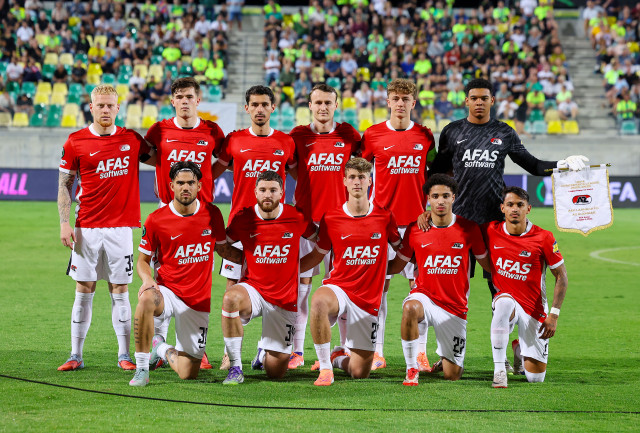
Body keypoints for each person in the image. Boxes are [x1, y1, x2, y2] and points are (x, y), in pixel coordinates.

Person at [424, 77, 585, 368]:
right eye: (474, 98)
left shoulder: (504, 132)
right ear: (466, 101)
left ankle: (512, 353)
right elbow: (436, 173)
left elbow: (532, 165)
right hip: (458, 225)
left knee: (502, 292)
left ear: (492, 101)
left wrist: (560, 165)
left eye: (484, 98)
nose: (479, 102)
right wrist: (429, 208)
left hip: (493, 227)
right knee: (450, 292)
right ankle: (447, 355)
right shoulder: (452, 131)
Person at [57, 85, 152, 371]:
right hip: (86, 227)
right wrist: (64, 222)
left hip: (121, 228)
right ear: (91, 107)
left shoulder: (131, 139)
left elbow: (160, 160)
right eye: (100, 105)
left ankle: (124, 355)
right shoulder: (76, 141)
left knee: (119, 290)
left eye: (111, 105)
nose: (106, 110)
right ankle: (75, 355)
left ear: (118, 108)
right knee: (83, 289)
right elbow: (65, 184)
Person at [129, 162, 236, 386]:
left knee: (188, 373)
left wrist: (254, 259)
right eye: (180, 183)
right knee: (146, 299)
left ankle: (161, 348)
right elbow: (142, 261)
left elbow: (224, 250)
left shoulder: (212, 214)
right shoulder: (156, 219)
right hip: (167, 292)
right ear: (171, 186)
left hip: (197, 301)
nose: (185, 187)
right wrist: (148, 280)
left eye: (190, 183)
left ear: (199, 186)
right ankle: (141, 370)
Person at [144, 77, 226, 369]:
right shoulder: (159, 130)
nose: (185, 101)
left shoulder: (212, 131)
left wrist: (206, 178)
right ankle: (159, 343)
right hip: (168, 213)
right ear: (172, 101)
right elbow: (148, 156)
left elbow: (223, 161)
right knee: (163, 277)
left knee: (198, 278)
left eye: (189, 96)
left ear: (198, 100)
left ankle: (194, 347)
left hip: (201, 214)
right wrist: (164, 170)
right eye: (179, 97)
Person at [212, 85, 296, 368]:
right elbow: (211, 175)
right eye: (254, 104)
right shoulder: (234, 140)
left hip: (275, 231)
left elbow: (300, 176)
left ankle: (266, 346)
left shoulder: (285, 142)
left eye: (264, 104)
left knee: (275, 288)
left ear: (273, 108)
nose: (260, 109)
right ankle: (230, 353)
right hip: (239, 227)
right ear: (246, 108)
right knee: (232, 290)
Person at [300, 157, 401, 386]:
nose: (357, 182)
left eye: (362, 177)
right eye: (352, 177)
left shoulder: (385, 217)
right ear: (344, 181)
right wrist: (288, 270)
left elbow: (403, 250)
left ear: (370, 181)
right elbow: (317, 255)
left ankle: (337, 359)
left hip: (367, 300)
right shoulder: (331, 217)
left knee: (359, 372)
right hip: (340, 289)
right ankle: (325, 368)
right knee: (319, 302)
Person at [360, 78, 436, 371]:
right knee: (379, 290)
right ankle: (377, 351)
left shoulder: (426, 136)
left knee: (421, 291)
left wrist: (430, 208)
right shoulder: (372, 135)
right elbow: (358, 173)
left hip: (419, 226)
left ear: (413, 102)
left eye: (406, 98)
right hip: (383, 225)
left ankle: (421, 352)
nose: (401, 103)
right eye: (396, 98)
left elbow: (435, 175)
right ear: (388, 101)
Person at [388, 174, 490, 385]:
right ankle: (411, 368)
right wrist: (366, 265)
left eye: (445, 196)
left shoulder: (469, 229)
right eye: (435, 196)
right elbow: (396, 265)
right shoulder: (415, 229)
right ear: (428, 199)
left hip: (454, 307)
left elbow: (488, 265)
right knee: (410, 308)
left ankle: (446, 360)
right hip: (425, 297)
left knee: (452, 375)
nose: (440, 201)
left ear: (453, 197)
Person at [287, 83, 361, 369]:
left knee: (341, 286)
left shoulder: (349, 135)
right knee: (302, 286)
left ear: (336, 105)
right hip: (306, 223)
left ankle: (342, 348)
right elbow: (291, 168)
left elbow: (362, 172)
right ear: (309, 105)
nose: (323, 107)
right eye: (317, 102)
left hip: (341, 225)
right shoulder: (297, 136)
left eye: (328, 103)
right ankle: (297, 351)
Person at [220, 171, 317, 384]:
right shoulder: (244, 218)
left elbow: (321, 242)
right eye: (263, 190)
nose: (267, 195)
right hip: (253, 289)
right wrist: (243, 258)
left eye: (273, 190)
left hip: (284, 299)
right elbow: (221, 244)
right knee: (230, 299)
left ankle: (262, 352)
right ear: (255, 192)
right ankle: (235, 367)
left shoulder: (296, 217)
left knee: (275, 373)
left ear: (281, 193)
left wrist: (299, 268)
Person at [483, 186, 568, 388]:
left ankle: (519, 349)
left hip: (533, 308)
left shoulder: (544, 237)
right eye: (510, 204)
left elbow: (561, 276)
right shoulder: (489, 230)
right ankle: (499, 370)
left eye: (520, 205)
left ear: (528, 208)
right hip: (506, 300)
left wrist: (554, 316)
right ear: (502, 208)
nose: (515, 209)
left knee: (535, 378)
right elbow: (458, 226)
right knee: (503, 303)